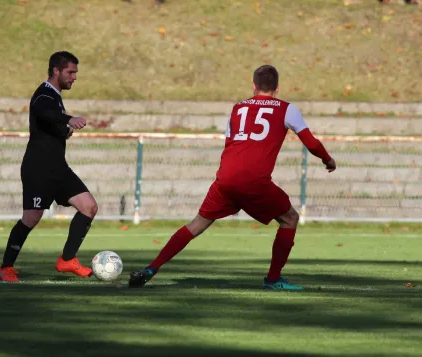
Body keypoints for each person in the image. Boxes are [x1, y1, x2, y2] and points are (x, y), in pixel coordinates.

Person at [129, 65, 336, 290]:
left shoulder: (238, 108)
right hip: (254, 180)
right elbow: (311, 143)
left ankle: (152, 268)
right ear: (277, 88)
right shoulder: (287, 109)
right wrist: (328, 160)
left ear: (254, 85)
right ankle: (273, 279)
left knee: (196, 224)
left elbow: (229, 144)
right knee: (289, 219)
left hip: (226, 178)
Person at [0, 51, 98, 282]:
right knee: (31, 218)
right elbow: (44, 112)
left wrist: (64, 130)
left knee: (89, 207)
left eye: (75, 73)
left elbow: (49, 124)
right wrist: (68, 119)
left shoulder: (56, 96)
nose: (74, 77)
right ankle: (6, 267)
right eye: (70, 72)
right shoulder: (44, 94)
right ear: (56, 71)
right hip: (38, 168)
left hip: (58, 168)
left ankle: (67, 260)